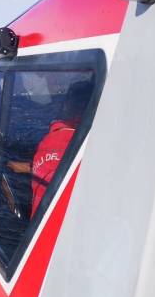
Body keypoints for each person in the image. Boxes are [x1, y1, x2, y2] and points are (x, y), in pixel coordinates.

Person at [7, 80, 92, 217]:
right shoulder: (88, 137)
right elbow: (61, 166)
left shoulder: (59, 139)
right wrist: (30, 166)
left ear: (68, 106)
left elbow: (54, 167)